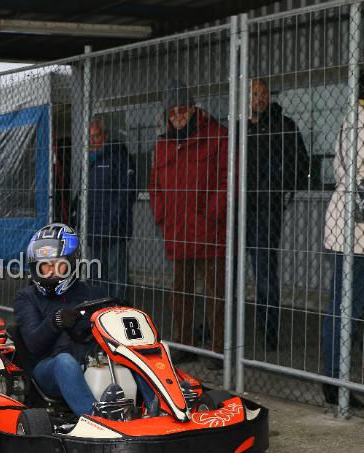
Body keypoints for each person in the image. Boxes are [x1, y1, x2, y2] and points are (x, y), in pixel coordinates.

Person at [13, 223, 156, 417]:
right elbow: (33, 345)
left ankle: (159, 406)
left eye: (59, 265)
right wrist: (55, 321)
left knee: (132, 351)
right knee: (65, 362)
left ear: (71, 263)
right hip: (49, 368)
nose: (52, 272)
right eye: (45, 266)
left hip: (93, 361)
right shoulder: (27, 297)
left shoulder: (90, 292)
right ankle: (95, 416)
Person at [148, 79, 228, 359]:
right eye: (173, 112)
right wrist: (163, 216)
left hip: (209, 231)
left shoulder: (217, 136)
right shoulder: (162, 145)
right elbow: (154, 185)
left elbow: (228, 178)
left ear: (194, 109)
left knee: (215, 294)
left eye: (183, 110)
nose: (178, 116)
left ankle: (218, 350)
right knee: (180, 294)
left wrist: (213, 213)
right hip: (178, 230)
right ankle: (184, 344)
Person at [247, 78, 310, 351]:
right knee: (226, 272)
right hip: (237, 209)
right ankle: (225, 333)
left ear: (269, 96)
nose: (259, 98)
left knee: (264, 273)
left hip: (265, 211)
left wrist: (277, 187)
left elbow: (302, 165)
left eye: (263, 93)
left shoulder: (284, 126)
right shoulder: (239, 129)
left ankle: (269, 330)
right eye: (254, 94)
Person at [321, 76, 364, 409]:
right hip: (355, 230)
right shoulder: (362, 122)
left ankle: (344, 374)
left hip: (359, 228)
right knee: (345, 306)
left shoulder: (359, 118)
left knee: (355, 304)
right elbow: (362, 168)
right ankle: (334, 380)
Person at [87, 118, 137, 302]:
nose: (94, 140)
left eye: (97, 136)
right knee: (97, 275)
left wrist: (115, 220)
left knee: (117, 276)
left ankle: (118, 313)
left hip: (114, 229)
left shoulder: (118, 157)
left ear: (106, 135)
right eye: (90, 137)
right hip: (93, 229)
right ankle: (100, 312)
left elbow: (127, 192)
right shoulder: (88, 161)